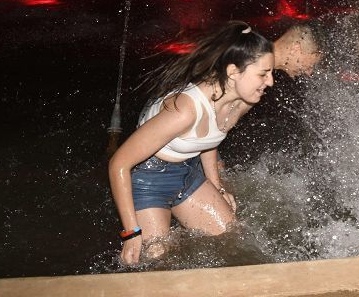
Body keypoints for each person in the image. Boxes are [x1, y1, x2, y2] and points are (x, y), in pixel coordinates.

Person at [108, 22, 274, 265]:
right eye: (263, 74)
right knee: (155, 263)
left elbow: (209, 139)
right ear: (233, 73)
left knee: (233, 242)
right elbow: (119, 164)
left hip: (187, 170)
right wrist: (131, 232)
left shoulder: (241, 102)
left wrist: (217, 186)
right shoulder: (185, 110)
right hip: (146, 177)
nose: (269, 82)